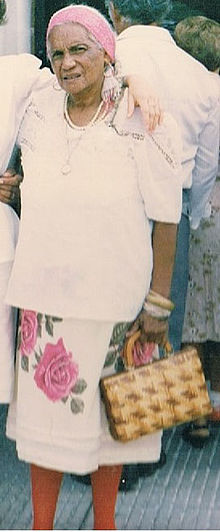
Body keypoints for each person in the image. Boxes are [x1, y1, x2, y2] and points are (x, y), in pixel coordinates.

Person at [4, 5, 182, 529]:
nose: (66, 63)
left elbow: (166, 220)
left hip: (117, 306)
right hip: (45, 305)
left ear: (108, 54)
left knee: (109, 429)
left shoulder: (142, 117)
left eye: (80, 50)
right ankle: (42, 526)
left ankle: (104, 525)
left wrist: (159, 303)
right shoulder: (36, 111)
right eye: (57, 52)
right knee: (44, 433)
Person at [105, 0, 220, 354]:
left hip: (108, 211)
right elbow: (206, 166)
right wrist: (193, 213)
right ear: (164, 10)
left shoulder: (103, 58)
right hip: (176, 218)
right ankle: (154, 407)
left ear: (113, 10)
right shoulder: (201, 76)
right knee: (160, 342)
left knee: (105, 334)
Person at [174, 16, 220, 445]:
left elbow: (204, 168)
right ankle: (209, 401)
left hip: (203, 215)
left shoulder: (201, 91)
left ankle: (196, 411)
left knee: (195, 318)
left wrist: (197, 210)